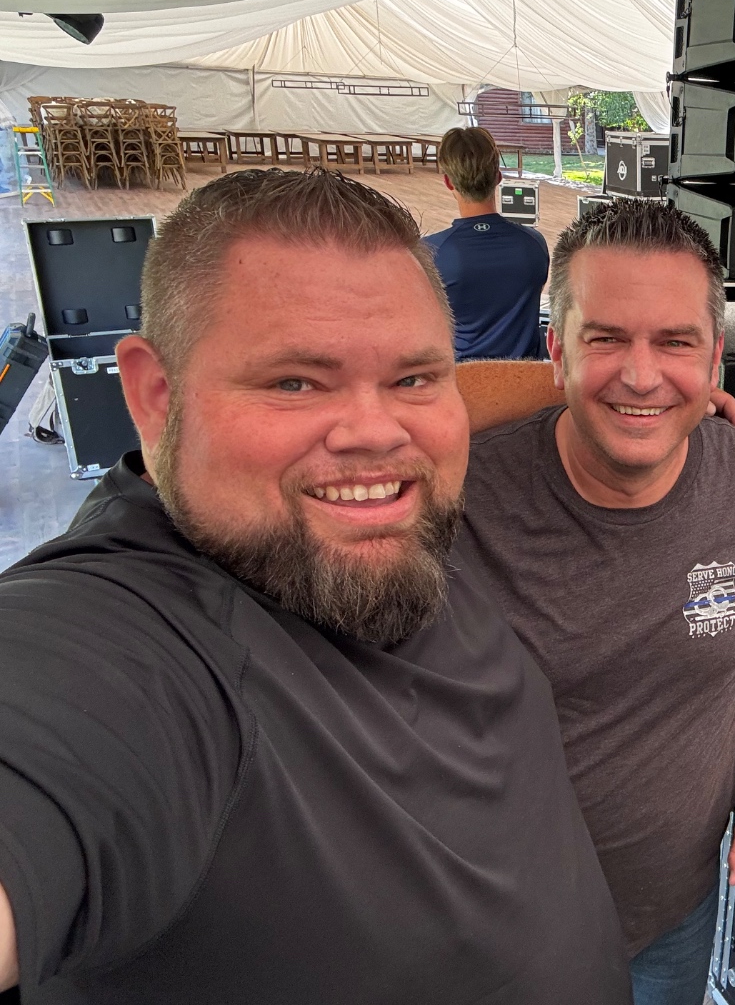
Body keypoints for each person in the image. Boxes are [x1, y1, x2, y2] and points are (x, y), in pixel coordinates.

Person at [0, 169, 631, 1004]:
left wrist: (638, 396)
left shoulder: (383, 536)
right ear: (156, 397)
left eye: (413, 378)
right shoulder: (132, 642)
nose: (377, 432)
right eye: (295, 381)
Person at [463, 199, 735, 1004]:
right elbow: (370, 403)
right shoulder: (456, 496)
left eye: (675, 344)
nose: (640, 373)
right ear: (554, 350)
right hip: (488, 929)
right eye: (605, 339)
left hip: (674, 913)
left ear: (715, 366)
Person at [425, 126, 550, 360]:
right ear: (498, 177)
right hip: (527, 382)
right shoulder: (534, 244)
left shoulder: (430, 253)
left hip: (464, 384)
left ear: (448, 182)